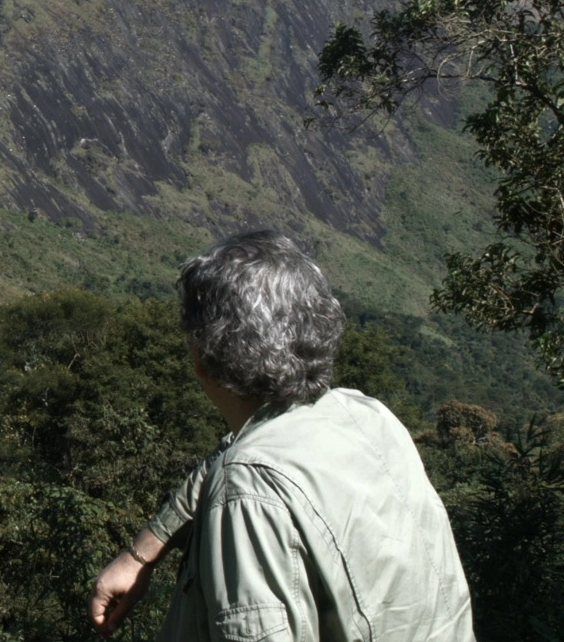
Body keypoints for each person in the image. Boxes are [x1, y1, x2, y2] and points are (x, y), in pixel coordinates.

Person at [88, 230, 474, 640]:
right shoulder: (365, 415)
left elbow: (248, 474)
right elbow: (233, 457)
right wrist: (140, 555)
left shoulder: (249, 484)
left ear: (202, 357)